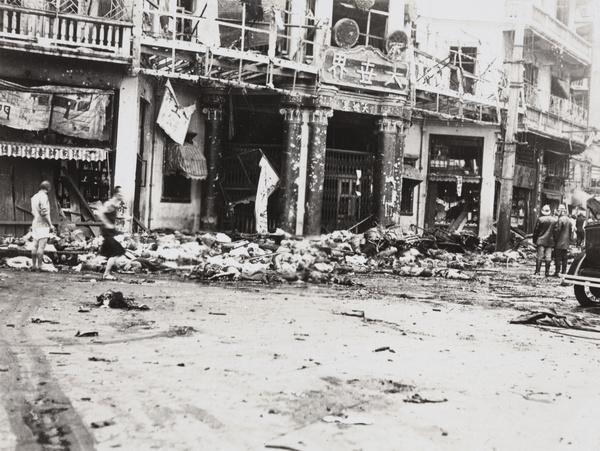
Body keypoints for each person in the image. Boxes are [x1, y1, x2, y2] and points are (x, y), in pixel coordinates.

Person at [98, 186, 126, 280]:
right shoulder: (109, 204)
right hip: (107, 232)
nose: (122, 196)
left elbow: (111, 216)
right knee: (118, 251)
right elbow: (100, 213)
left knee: (106, 253)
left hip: (110, 232)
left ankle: (104, 270)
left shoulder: (115, 205)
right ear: (117, 194)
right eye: (121, 194)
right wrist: (108, 224)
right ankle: (106, 274)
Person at [30, 180, 55, 271]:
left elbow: (33, 211)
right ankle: (40, 266)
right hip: (42, 224)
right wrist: (50, 225)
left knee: (35, 245)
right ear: (48, 188)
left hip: (35, 222)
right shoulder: (44, 197)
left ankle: (33, 265)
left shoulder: (34, 197)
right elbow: (44, 213)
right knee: (41, 246)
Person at [532, 204, 556, 277]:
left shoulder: (540, 219)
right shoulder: (554, 220)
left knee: (540, 256)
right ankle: (547, 273)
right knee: (548, 257)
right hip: (550, 241)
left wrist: (534, 240)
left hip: (541, 240)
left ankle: (537, 271)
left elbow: (536, 231)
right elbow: (556, 231)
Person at [553, 204, 572, 277]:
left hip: (559, 242)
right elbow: (570, 232)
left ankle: (557, 271)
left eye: (558, 211)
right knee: (565, 258)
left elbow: (557, 230)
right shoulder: (568, 220)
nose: (557, 212)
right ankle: (564, 271)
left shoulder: (560, 219)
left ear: (561, 211)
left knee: (557, 257)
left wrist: (555, 240)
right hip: (566, 242)